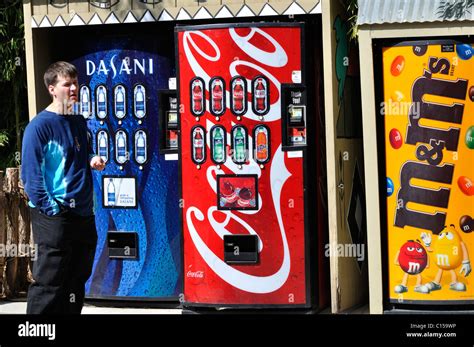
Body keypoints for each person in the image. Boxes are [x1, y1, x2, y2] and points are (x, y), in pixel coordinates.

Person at [21, 61, 105, 314]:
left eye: (75, 83)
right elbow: (31, 176)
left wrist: (92, 159)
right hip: (55, 215)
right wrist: (51, 210)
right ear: (51, 89)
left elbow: (79, 154)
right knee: (50, 282)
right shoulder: (39, 126)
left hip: (82, 213)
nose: (73, 88)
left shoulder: (78, 121)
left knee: (76, 279)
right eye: (66, 84)